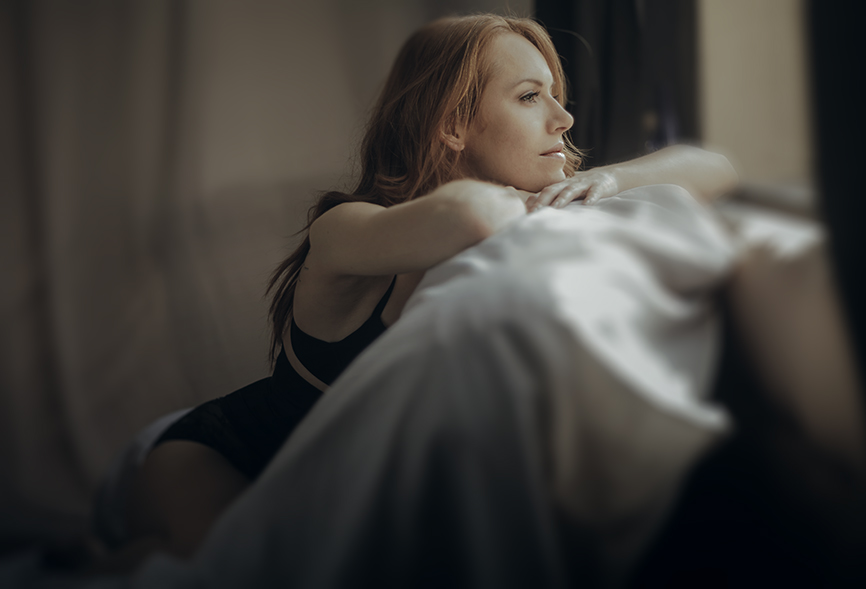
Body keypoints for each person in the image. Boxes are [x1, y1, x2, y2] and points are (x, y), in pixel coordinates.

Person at [90, 13, 737, 574]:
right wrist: (536, 198)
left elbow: (715, 169)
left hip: (347, 482)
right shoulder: (346, 229)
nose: (564, 118)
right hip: (229, 452)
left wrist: (607, 181)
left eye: (557, 97)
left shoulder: (541, 211)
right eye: (530, 97)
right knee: (220, 568)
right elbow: (473, 216)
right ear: (453, 125)